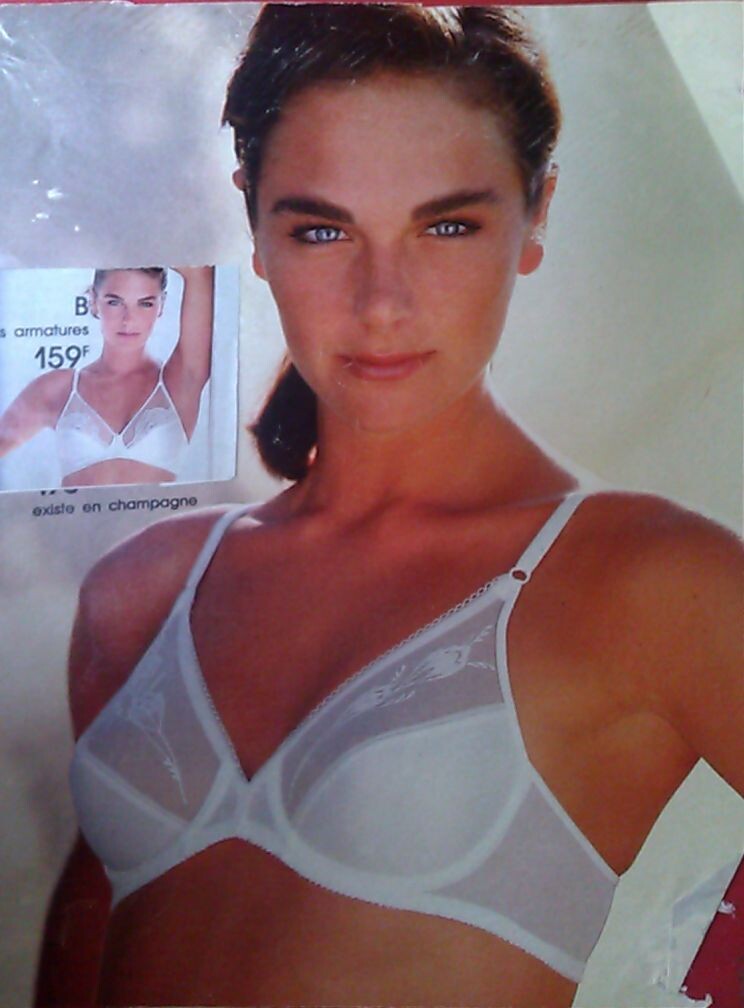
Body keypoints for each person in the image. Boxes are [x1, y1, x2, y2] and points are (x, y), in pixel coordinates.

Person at [35, 5, 742, 1007]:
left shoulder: (645, 581)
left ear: (537, 214)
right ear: (255, 225)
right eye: (321, 229)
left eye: (446, 225)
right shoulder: (140, 590)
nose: (381, 302)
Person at [0, 265, 214, 487]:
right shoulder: (58, 388)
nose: (128, 320)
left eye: (145, 304)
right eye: (114, 302)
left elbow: (199, 272)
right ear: (93, 301)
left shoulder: (179, 381)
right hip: (71, 512)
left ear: (162, 305)